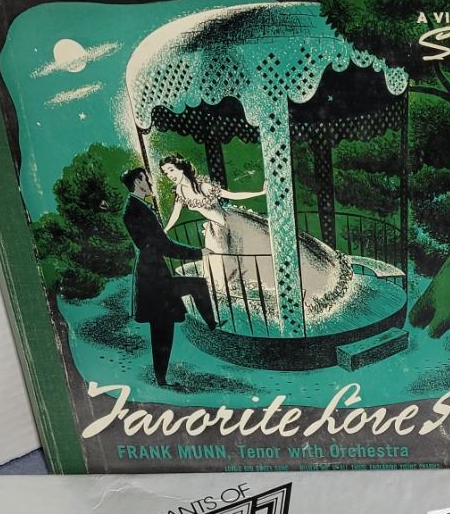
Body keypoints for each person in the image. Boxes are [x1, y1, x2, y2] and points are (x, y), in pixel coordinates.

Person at [158, 155, 352, 325]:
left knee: (262, 253)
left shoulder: (204, 186)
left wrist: (260, 193)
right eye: (166, 173)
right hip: (216, 233)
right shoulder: (180, 193)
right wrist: (164, 230)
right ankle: (227, 311)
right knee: (222, 270)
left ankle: (296, 296)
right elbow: (175, 215)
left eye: (171, 170)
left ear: (181, 168)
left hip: (234, 225)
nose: (169, 175)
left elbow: (231, 195)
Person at [120, 165, 215, 389]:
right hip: (153, 279)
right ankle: (161, 379)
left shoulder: (139, 206)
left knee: (193, 289)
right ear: (138, 182)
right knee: (162, 327)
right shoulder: (135, 209)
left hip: (156, 275)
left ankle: (212, 326)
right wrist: (198, 253)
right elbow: (163, 246)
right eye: (147, 179)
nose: (150, 182)